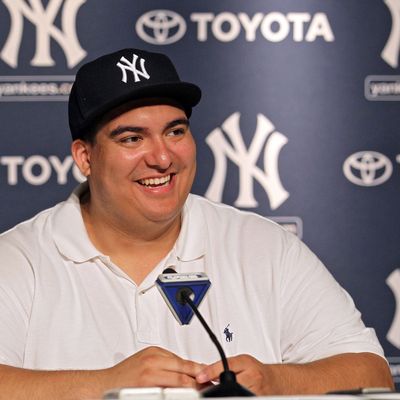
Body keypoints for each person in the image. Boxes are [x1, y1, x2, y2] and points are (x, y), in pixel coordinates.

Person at [0, 48, 394, 400]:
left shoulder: (263, 246)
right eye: (132, 139)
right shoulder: (20, 259)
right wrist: (105, 385)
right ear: (85, 158)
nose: (162, 157)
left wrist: (275, 382)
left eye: (175, 131)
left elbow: (372, 373)